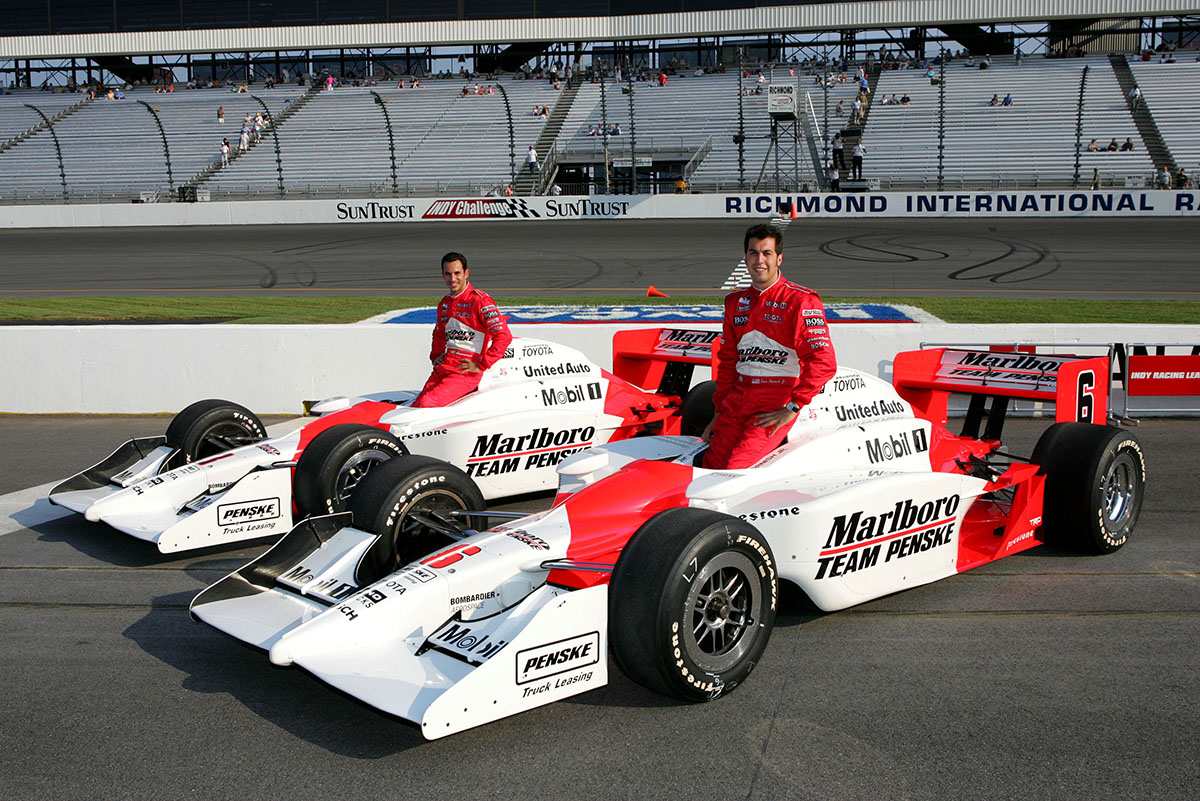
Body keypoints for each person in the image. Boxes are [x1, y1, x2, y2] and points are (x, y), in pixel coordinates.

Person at [700, 224, 836, 469]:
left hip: (774, 402)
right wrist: (719, 412)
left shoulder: (801, 300)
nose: (759, 260)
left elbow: (824, 362)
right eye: (753, 253)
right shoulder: (734, 301)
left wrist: (792, 408)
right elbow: (728, 361)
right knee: (708, 467)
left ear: (779, 258)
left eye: (767, 253)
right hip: (737, 400)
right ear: (745, 258)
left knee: (734, 470)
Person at [411, 253, 513, 408]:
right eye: (448, 274)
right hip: (444, 367)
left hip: (465, 372)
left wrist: (481, 365)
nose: (452, 279)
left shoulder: (480, 301)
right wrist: (436, 356)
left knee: (427, 405)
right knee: (414, 407)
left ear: (466, 273)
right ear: (443, 275)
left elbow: (503, 336)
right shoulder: (444, 303)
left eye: (457, 273)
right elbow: (439, 335)